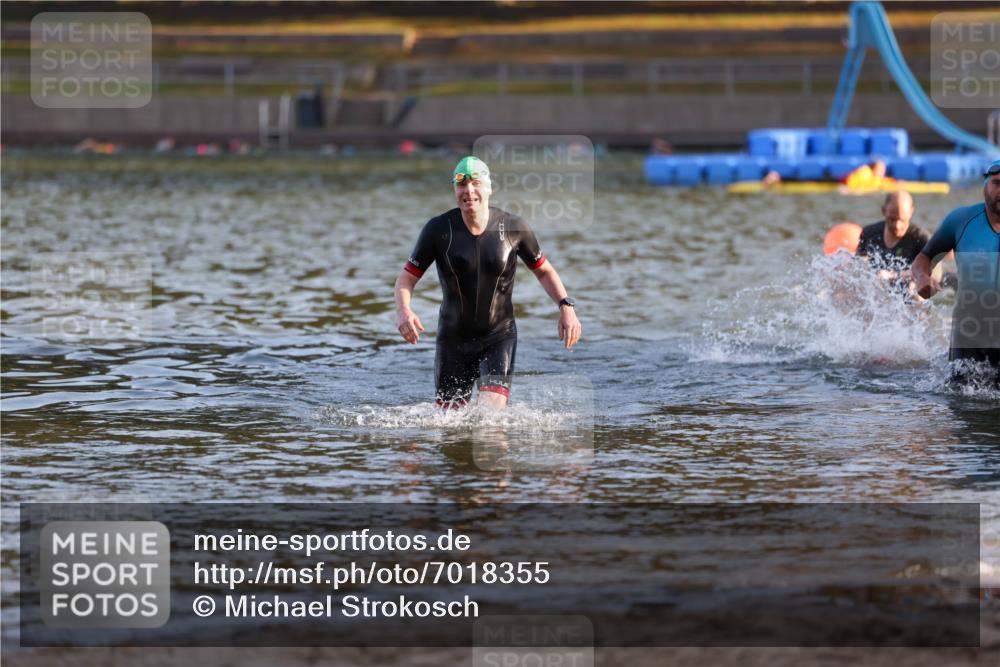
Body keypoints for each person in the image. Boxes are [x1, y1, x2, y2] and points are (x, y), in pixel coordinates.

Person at [393, 156, 582, 409]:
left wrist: (565, 306)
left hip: (498, 336)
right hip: (453, 339)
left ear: (489, 187)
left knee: (491, 424)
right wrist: (404, 310)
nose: (469, 191)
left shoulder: (514, 227)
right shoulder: (438, 229)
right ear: (454, 190)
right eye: (461, 184)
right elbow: (406, 278)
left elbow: (544, 271)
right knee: (450, 430)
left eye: (475, 183)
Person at [913, 159, 1000, 384]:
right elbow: (924, 257)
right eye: (997, 183)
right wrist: (923, 277)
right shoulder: (961, 220)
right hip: (968, 336)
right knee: (964, 404)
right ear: (985, 186)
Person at [856, 190, 938, 295]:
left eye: (902, 220)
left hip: (909, 293)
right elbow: (857, 264)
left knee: (915, 293)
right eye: (892, 219)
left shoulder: (922, 239)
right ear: (883, 211)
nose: (897, 226)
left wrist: (893, 275)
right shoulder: (869, 234)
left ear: (911, 212)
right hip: (878, 291)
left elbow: (930, 274)